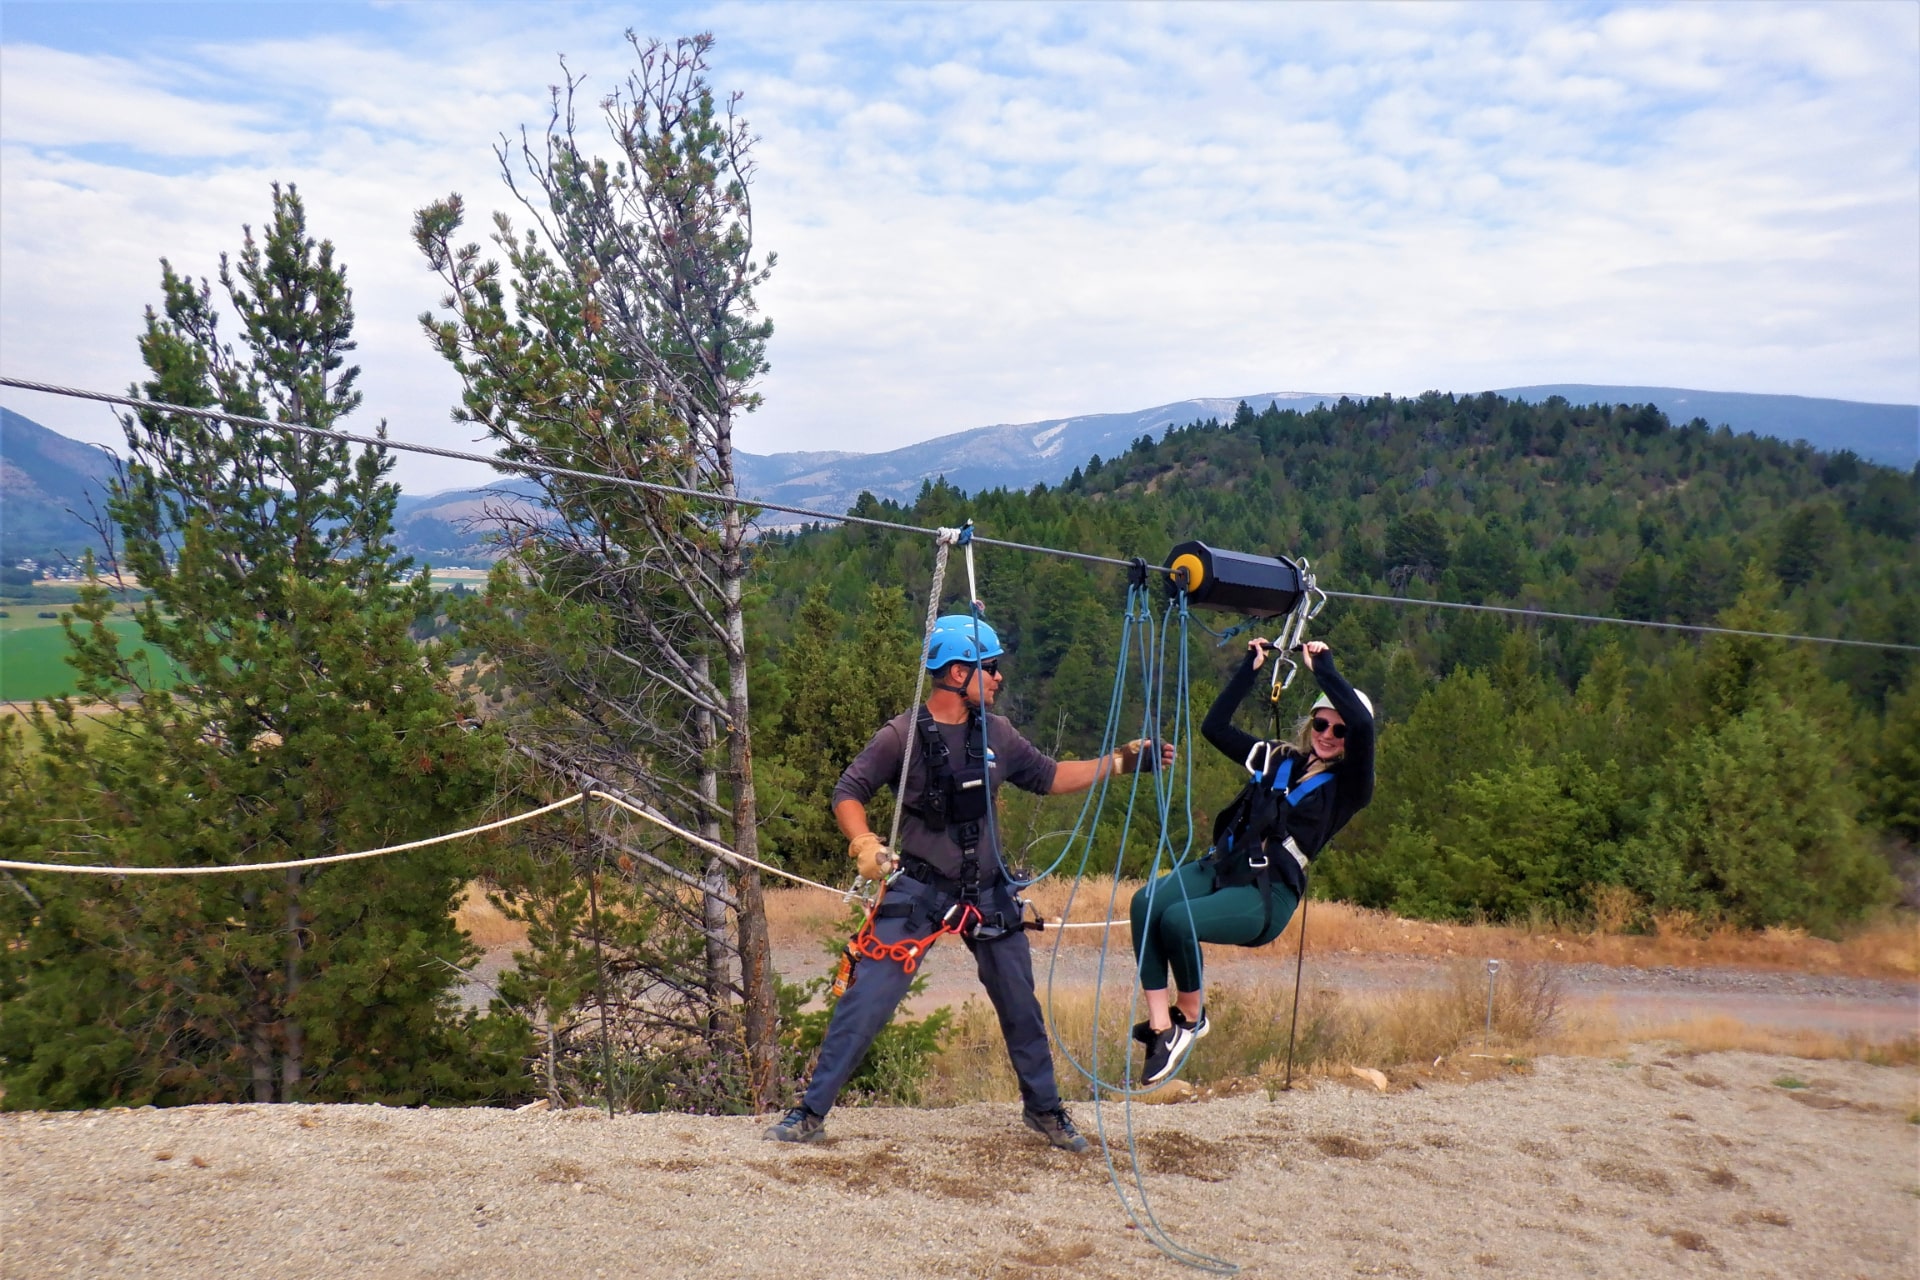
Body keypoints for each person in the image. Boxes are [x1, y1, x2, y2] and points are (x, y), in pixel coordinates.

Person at [765, 614, 1174, 1149]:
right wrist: (864, 842)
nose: (1000, 678)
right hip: (920, 891)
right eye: (992, 668)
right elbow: (849, 791)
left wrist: (1120, 762)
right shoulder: (901, 736)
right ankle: (810, 1113)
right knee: (867, 1000)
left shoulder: (997, 734)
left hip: (987, 892)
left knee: (1019, 1004)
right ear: (958, 673)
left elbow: (1049, 776)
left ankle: (1045, 1111)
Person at [1127, 637, 1374, 1084]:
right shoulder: (1277, 758)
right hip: (1223, 868)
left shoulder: (1350, 789)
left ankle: (1192, 1016)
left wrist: (1325, 671)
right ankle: (1161, 1027)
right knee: (1146, 904)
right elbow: (1214, 727)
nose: (1327, 734)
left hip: (1267, 894)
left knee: (1179, 922)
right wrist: (1251, 668)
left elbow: (1362, 725)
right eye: (1321, 723)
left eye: (1340, 731)